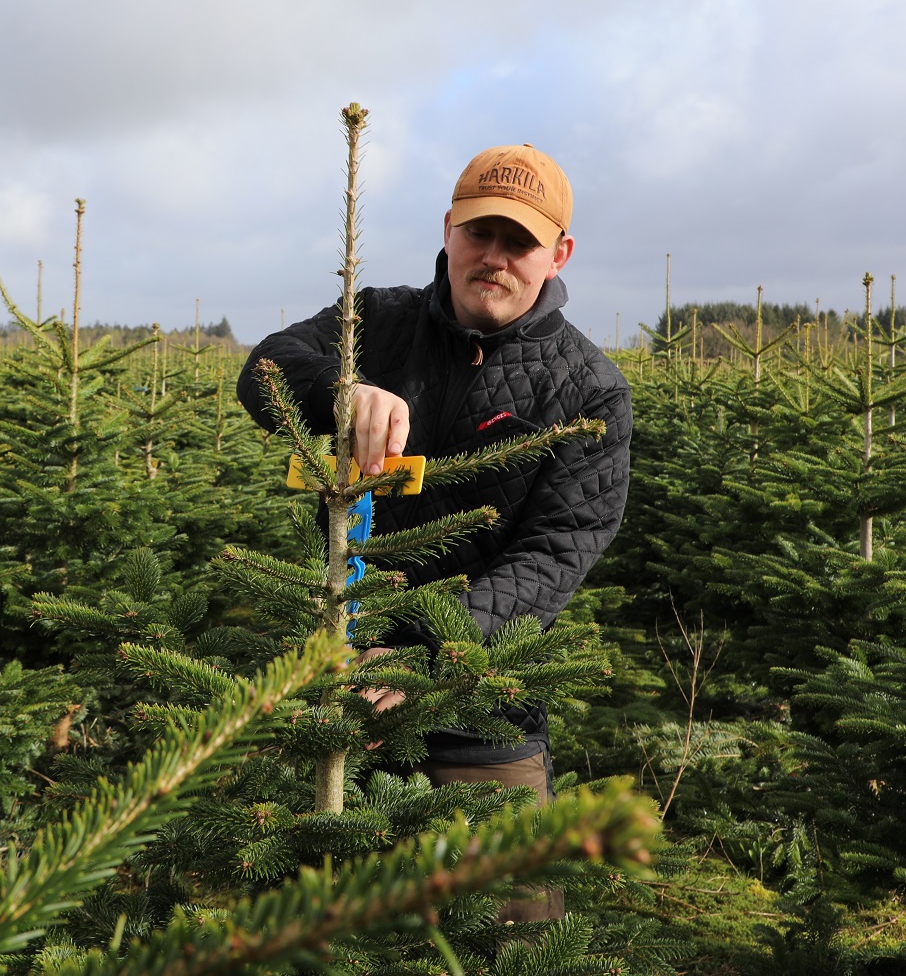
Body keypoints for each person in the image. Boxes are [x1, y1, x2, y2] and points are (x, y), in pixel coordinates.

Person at [237, 142, 632, 922]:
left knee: (506, 933)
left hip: (481, 710)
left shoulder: (589, 390)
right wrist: (341, 390)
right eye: (479, 233)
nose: (495, 257)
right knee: (311, 930)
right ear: (448, 230)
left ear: (559, 253)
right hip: (336, 691)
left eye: (519, 241)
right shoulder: (376, 322)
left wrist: (423, 652)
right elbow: (265, 369)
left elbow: (553, 556)